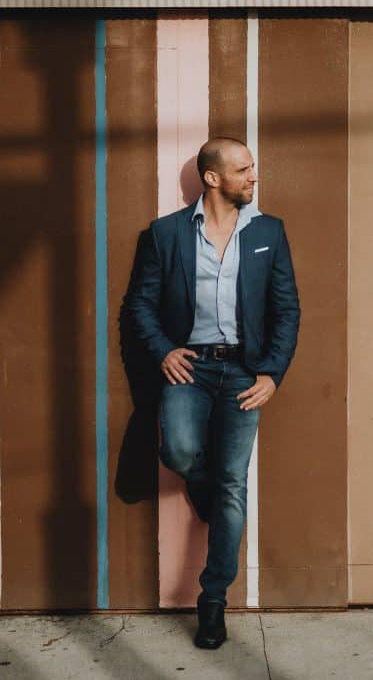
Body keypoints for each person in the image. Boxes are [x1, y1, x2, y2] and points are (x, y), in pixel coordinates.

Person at [125, 137, 300, 648]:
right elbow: (140, 306)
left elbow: (287, 310)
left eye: (252, 168)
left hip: (245, 373)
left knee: (233, 485)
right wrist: (163, 350)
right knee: (178, 449)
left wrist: (272, 374)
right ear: (212, 178)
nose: (254, 177)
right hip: (192, 368)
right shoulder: (166, 233)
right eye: (244, 170)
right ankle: (201, 485)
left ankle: (213, 599)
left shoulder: (269, 232)